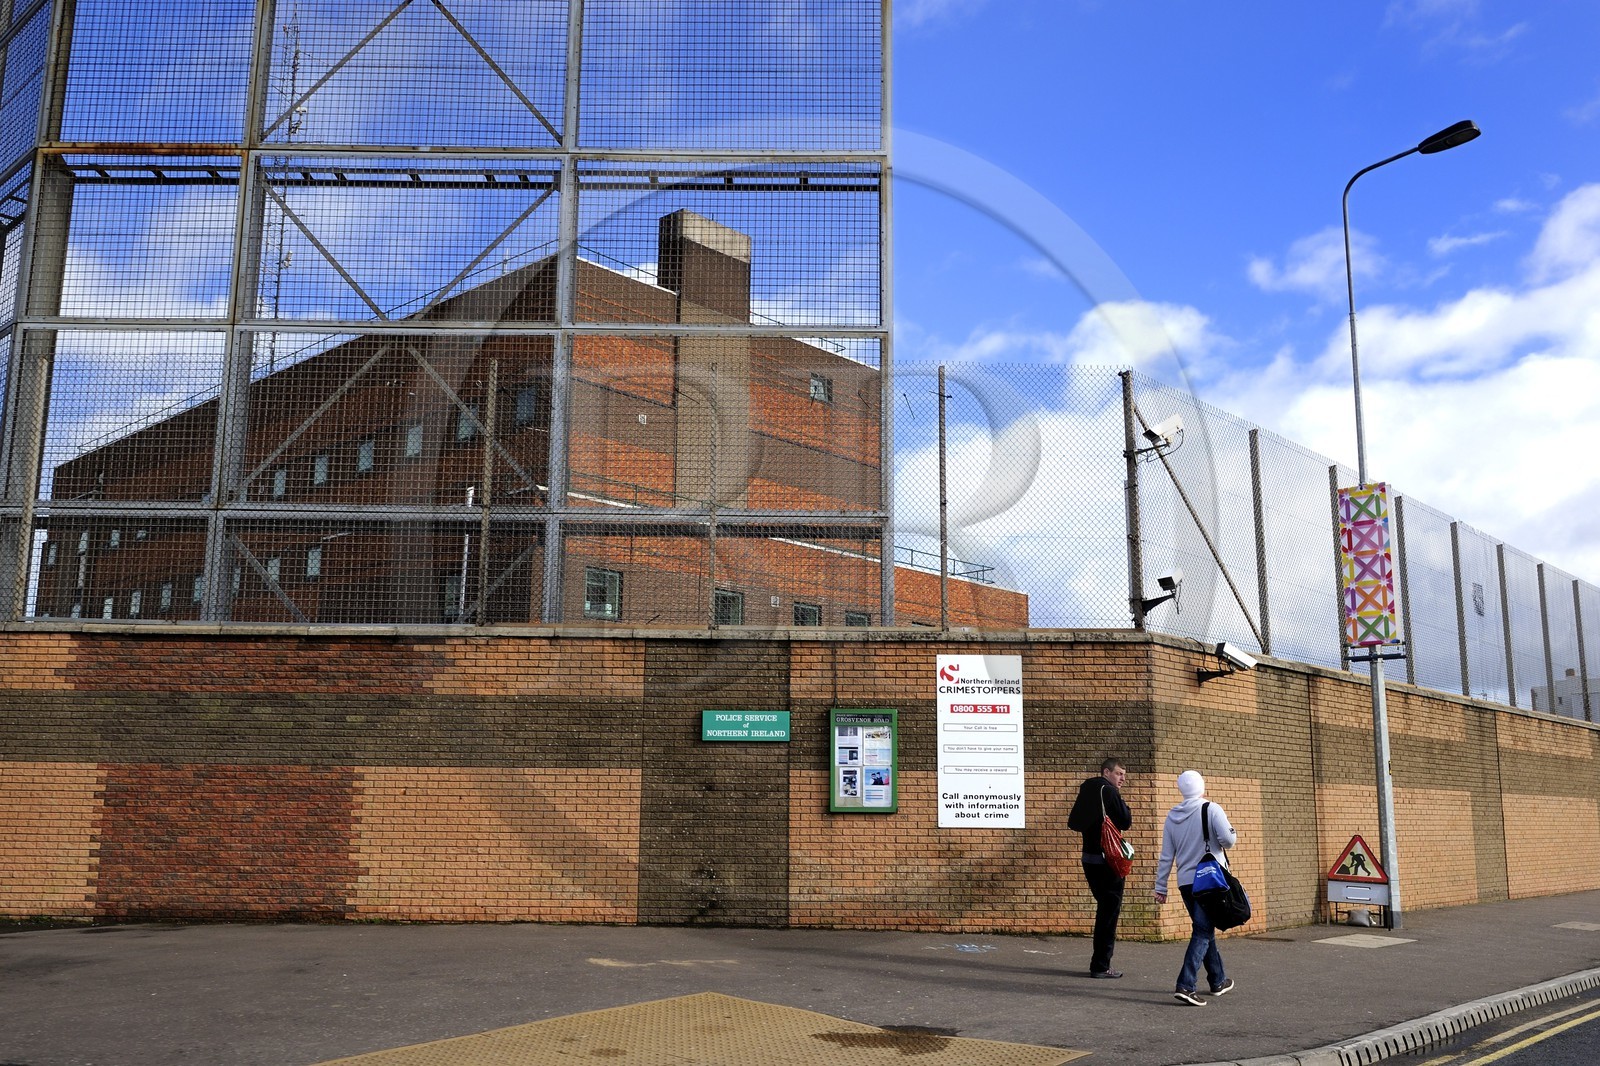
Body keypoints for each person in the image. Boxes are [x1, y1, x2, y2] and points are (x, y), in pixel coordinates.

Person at [1153, 770, 1237, 1005]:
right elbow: (1229, 840)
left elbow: (1166, 856)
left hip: (1186, 883)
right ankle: (1186, 985)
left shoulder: (1172, 816)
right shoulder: (1211, 809)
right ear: (1201, 786)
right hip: (1210, 880)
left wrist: (1161, 887)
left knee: (1204, 928)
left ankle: (1218, 980)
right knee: (1202, 931)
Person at [1066, 757, 1132, 978]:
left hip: (1089, 859)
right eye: (1119, 773)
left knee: (1104, 909)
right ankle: (1101, 966)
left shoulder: (1086, 789)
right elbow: (1125, 821)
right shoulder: (1110, 792)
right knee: (1109, 913)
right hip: (1108, 860)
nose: (1122, 778)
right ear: (1106, 772)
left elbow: (1074, 822)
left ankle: (1100, 963)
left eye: (1124, 774)